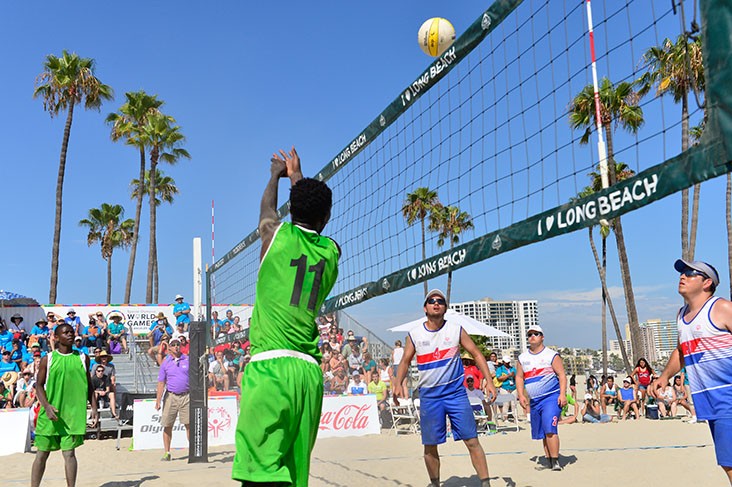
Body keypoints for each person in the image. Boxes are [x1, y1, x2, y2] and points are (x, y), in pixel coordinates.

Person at [233, 146, 340, 486]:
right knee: (294, 478)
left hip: (271, 369)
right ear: (325, 219)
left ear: (291, 209)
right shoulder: (331, 252)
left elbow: (267, 210)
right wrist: (296, 176)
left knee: (258, 474)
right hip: (309, 375)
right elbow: (307, 213)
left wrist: (276, 174)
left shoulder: (274, 236)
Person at [394, 289, 496, 487]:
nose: (436, 303)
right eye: (431, 301)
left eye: (440, 301)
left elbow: (476, 353)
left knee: (472, 440)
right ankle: (435, 483)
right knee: (430, 445)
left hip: (455, 394)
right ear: (425, 307)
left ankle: (485, 483)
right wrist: (397, 384)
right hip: (430, 396)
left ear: (445, 308)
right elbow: (405, 361)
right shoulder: (415, 334)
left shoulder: (455, 330)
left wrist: (489, 381)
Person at [651, 259, 732, 483]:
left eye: (690, 273)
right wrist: (664, 377)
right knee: (728, 462)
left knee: (730, 462)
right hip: (709, 399)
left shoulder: (722, 308)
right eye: (681, 272)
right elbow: (681, 351)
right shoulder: (681, 315)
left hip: (728, 396)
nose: (682, 276)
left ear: (707, 283)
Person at [31, 323, 97, 487]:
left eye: (71, 332)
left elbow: (89, 385)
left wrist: (94, 407)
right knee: (41, 454)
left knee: (69, 454)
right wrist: (46, 406)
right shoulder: (49, 358)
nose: (70, 335)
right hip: (50, 414)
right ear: (56, 337)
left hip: (72, 416)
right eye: (65, 332)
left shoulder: (82, 358)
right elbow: (38, 385)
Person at [516, 324, 567, 471]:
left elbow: (562, 375)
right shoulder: (522, 358)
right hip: (535, 400)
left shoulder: (551, 355)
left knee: (550, 428)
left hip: (551, 397)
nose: (532, 336)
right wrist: (520, 395)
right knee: (543, 431)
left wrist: (562, 394)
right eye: (530, 334)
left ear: (542, 337)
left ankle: (556, 461)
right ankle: (549, 459)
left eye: (536, 334)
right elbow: (519, 377)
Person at [155, 336, 190, 461]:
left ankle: (192, 450)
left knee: (189, 424)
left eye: (178, 344)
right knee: (167, 425)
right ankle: (167, 452)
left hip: (186, 395)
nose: (176, 346)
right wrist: (158, 400)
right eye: (173, 344)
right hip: (171, 396)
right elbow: (161, 382)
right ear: (169, 347)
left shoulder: (187, 359)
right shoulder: (166, 362)